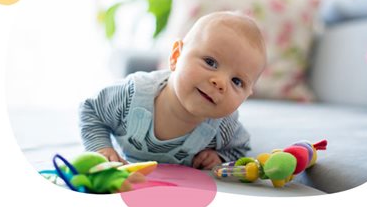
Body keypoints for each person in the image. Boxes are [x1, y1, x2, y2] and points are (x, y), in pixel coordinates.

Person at [79, 11, 267, 170]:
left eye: (236, 81)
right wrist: (101, 148)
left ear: (247, 95)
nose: (220, 83)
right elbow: (91, 110)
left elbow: (241, 147)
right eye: (210, 62)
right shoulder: (132, 94)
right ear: (177, 56)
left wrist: (218, 157)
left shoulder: (224, 127)